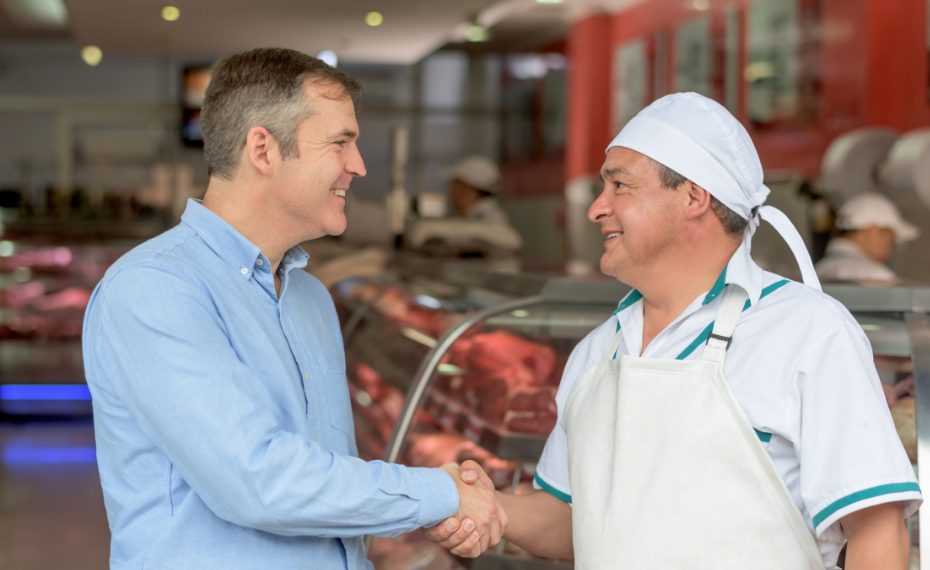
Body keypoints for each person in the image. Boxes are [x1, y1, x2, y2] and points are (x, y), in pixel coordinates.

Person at [427, 93, 920, 569]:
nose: (597, 208)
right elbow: (573, 518)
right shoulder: (599, 352)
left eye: (619, 186)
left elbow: (877, 535)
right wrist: (489, 506)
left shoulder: (808, 332)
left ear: (693, 197)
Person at [82, 48, 506, 570]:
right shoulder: (154, 288)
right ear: (263, 150)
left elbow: (320, 487)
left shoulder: (311, 298)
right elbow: (257, 481)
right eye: (340, 143)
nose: (358, 166)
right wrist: (440, 495)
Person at [815, 192, 920, 283]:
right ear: (872, 231)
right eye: (891, 241)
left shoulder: (815, 270)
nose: (889, 255)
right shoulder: (878, 278)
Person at [447, 155, 510, 225]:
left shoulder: (481, 222)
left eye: (455, 185)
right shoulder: (492, 216)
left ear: (465, 187)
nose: (451, 192)